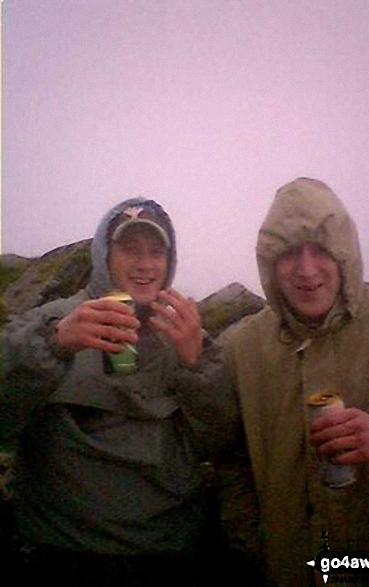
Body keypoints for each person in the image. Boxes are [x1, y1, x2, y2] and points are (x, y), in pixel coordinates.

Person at [1, 198, 239, 587]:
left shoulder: (188, 337)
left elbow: (220, 442)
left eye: (157, 252)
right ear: (103, 255)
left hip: (168, 556)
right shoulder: (54, 321)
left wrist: (195, 367)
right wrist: (54, 345)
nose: (145, 265)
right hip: (60, 555)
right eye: (130, 249)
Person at [221, 178, 369, 586]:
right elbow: (232, 463)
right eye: (288, 252)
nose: (307, 271)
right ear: (269, 260)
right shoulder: (241, 349)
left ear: (346, 253)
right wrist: (255, 541)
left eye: (322, 249)